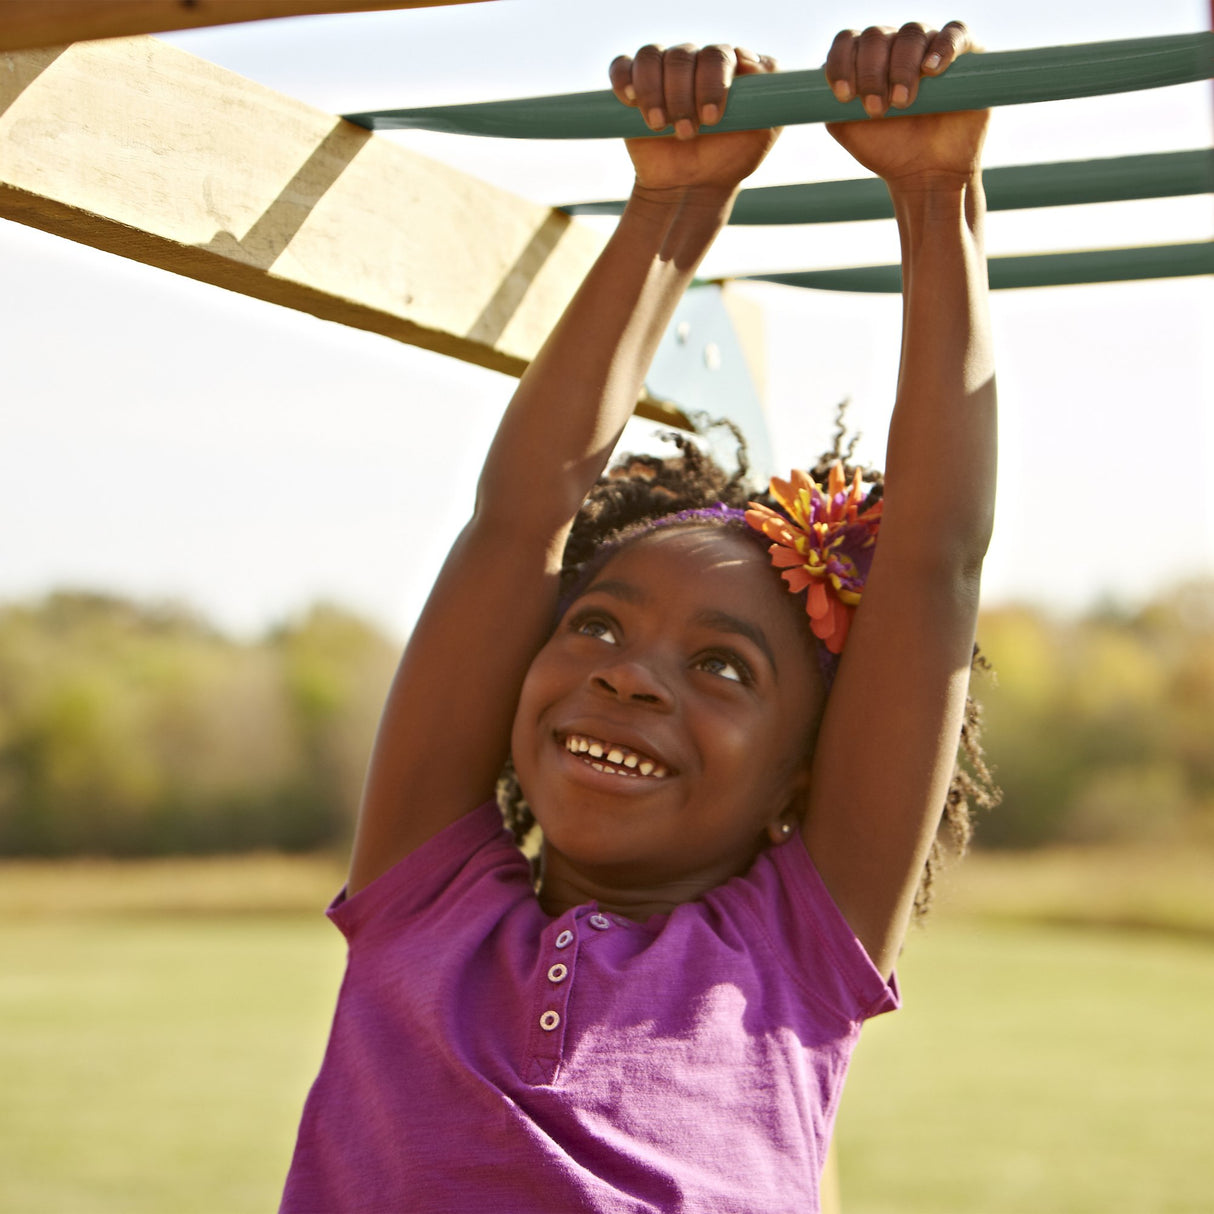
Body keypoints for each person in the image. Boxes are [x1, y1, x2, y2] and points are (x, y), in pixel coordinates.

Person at [280, 20, 996, 1214]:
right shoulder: (424, 895)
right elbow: (518, 522)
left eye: (721, 665)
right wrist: (670, 207)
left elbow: (929, 568)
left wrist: (935, 195)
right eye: (598, 626)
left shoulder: (794, 953)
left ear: (799, 778)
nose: (628, 676)